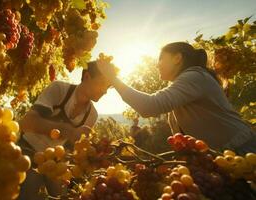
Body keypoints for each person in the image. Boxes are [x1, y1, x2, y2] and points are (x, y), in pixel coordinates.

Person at [97, 42, 256, 154]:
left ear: (177, 58)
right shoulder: (187, 83)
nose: (157, 64)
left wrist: (113, 78)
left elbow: (149, 106)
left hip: (242, 150)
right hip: (226, 155)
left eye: (161, 58)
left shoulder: (194, 76)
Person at [17, 60, 113, 200]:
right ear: (87, 77)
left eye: (108, 87)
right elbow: (27, 122)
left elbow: (70, 150)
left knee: (63, 196)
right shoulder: (59, 90)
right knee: (30, 191)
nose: (105, 91)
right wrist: (68, 131)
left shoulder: (92, 115)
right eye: (103, 83)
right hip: (27, 153)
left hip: (55, 163)